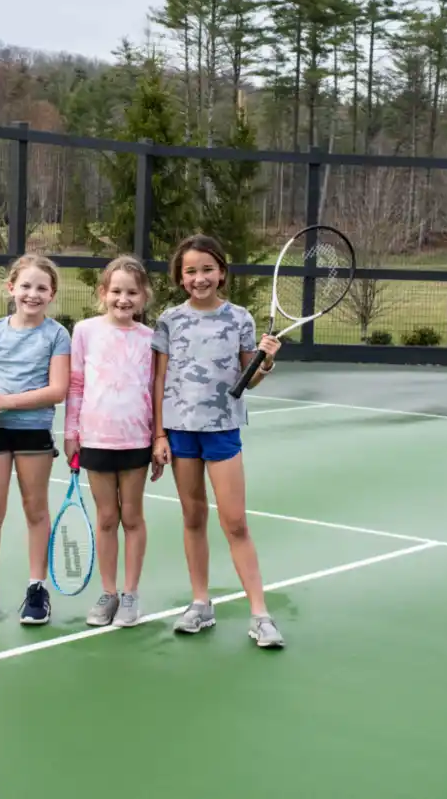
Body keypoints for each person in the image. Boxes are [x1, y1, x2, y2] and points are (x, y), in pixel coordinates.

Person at [151, 234, 284, 648]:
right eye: (191, 270)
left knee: (235, 522)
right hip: (180, 431)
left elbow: (251, 379)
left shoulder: (240, 319)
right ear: (180, 276)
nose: (200, 277)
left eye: (208, 269)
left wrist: (267, 360)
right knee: (193, 519)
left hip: (223, 429)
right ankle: (200, 604)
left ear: (222, 272)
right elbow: (158, 380)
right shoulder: (168, 321)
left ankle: (260, 614)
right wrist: (158, 433)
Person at [0, 253, 71, 626]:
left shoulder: (57, 335)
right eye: (26, 286)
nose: (33, 293)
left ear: (52, 294)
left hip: (33, 431)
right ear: (11, 288)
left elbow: (57, 390)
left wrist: (5, 400)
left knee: (36, 510)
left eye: (42, 287)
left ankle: (37, 589)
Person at [63, 254, 165, 628]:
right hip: (95, 439)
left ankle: (131, 594)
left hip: (136, 441)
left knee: (132, 517)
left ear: (144, 297)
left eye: (132, 293)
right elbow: (75, 385)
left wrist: (158, 438)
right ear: (103, 293)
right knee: (107, 518)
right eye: (117, 291)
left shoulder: (151, 339)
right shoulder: (85, 331)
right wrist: (71, 433)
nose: (124, 299)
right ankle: (108, 593)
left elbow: (157, 390)